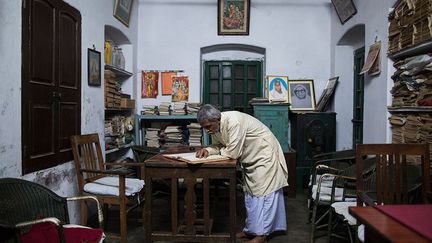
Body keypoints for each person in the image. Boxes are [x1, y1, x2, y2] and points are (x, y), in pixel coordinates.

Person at [195, 104, 288, 243]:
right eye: (204, 127)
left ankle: (262, 235)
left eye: (208, 126)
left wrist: (219, 150)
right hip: (251, 158)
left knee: (265, 195)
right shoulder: (215, 128)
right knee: (251, 196)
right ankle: (251, 230)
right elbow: (219, 146)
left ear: (217, 119)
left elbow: (233, 153)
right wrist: (208, 150)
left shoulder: (234, 122)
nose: (207, 130)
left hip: (265, 155)